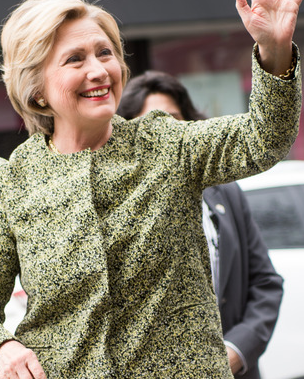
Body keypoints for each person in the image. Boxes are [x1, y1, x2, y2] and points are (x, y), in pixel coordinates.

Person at [0, 0, 304, 378]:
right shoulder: (13, 182)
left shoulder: (167, 144)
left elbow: (264, 139)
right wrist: (0, 346)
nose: (99, 70)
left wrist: (275, 51)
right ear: (37, 90)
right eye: (75, 59)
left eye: (106, 53)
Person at [118, 70, 284, 379]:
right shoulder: (122, 205)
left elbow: (265, 283)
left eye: (173, 118)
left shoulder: (226, 192)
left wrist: (235, 350)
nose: (165, 130)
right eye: (151, 121)